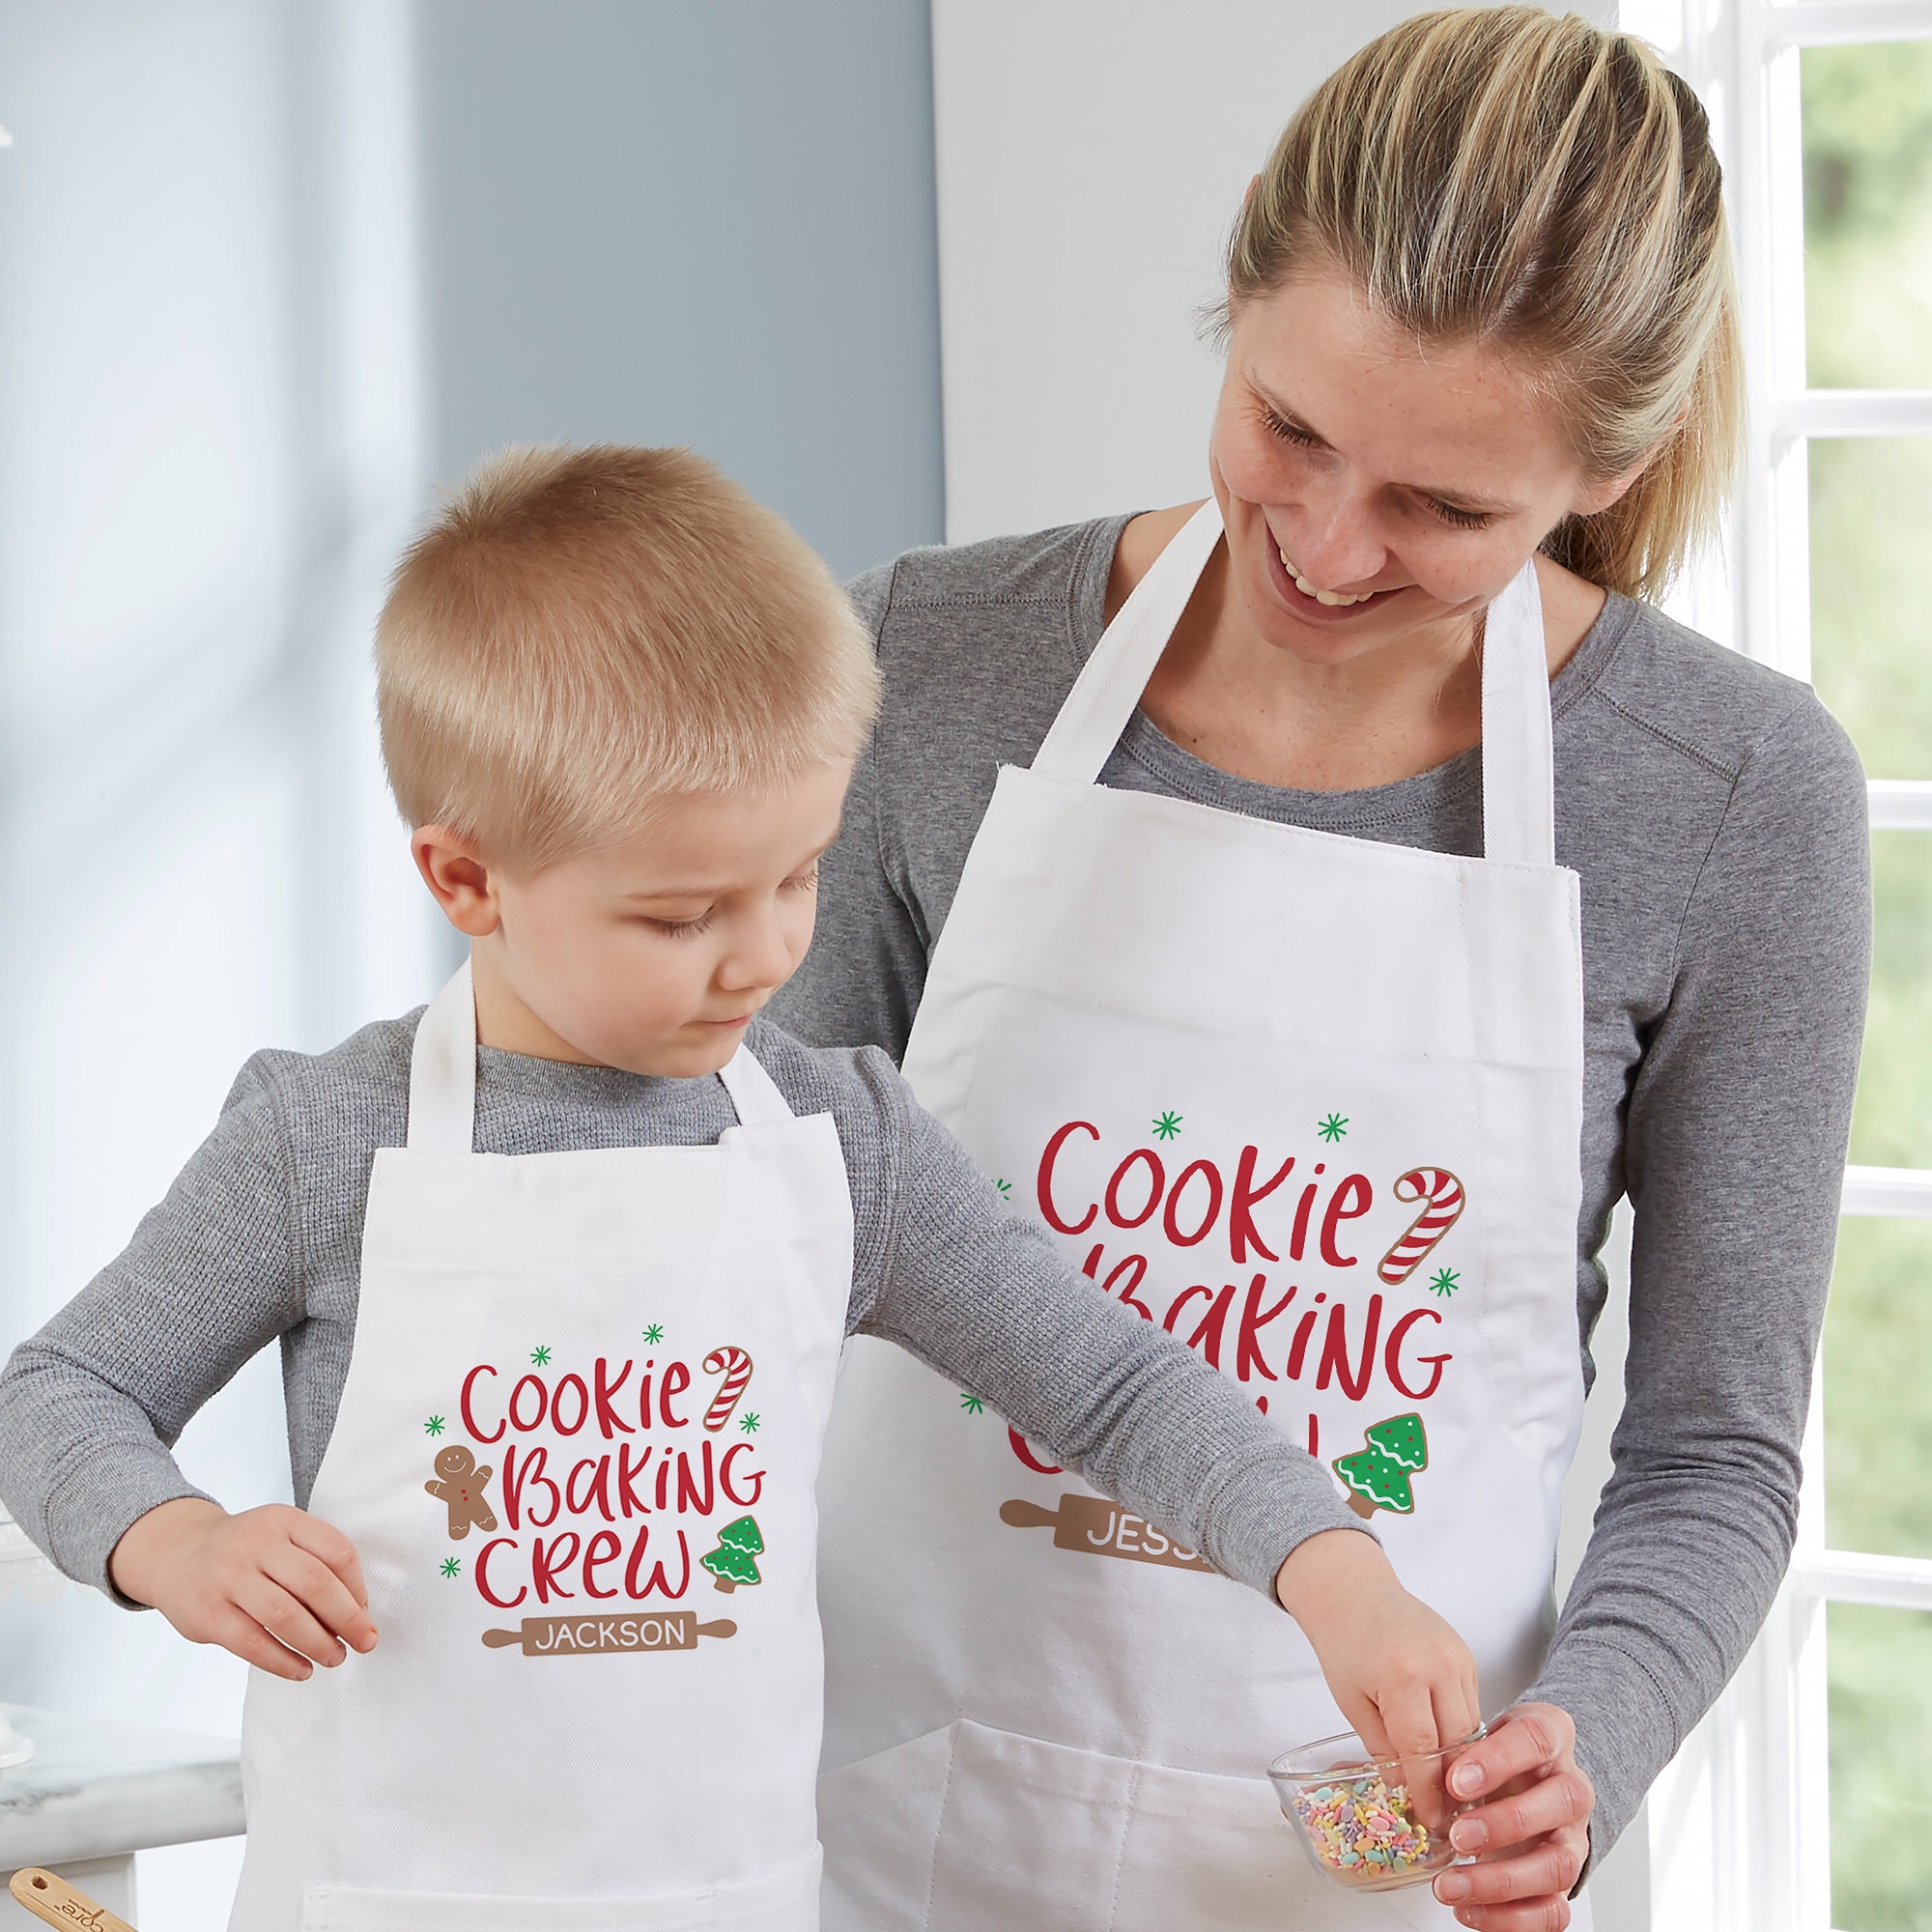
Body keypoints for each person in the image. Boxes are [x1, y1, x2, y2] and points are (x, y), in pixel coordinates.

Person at [0, 446, 1480, 1931]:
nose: (766, 955)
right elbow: (57, 1393)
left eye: (800, 875)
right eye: (683, 912)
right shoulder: (322, 1143)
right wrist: (174, 1542)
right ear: (468, 881)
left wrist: (1330, 1565)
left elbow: (1110, 1386)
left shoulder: (846, 1144)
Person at [771, 11, 1871, 1932]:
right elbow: (742, 1248)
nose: (1329, 545)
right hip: (867, 1828)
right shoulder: (930, 656)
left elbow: (1712, 1455)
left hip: (1345, 1872)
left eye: (1445, 511)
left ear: (1591, 477)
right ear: (1233, 304)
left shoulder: (1732, 796)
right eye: (1289, 428)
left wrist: (1582, 1747)